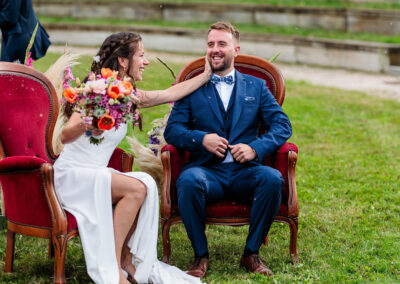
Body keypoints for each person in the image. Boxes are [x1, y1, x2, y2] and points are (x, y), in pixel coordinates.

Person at [54, 32, 210, 284]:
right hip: (74, 176)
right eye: (141, 55)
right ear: (124, 61)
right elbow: (65, 135)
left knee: (145, 184)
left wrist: (205, 75)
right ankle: (113, 267)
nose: (146, 61)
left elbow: (169, 94)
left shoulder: (127, 96)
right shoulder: (96, 89)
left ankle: (127, 258)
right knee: (137, 189)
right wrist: (87, 122)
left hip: (97, 174)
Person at [164, 21, 292, 278]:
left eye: (222, 44)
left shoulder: (256, 87)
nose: (215, 49)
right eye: (210, 44)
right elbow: (172, 131)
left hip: (246, 172)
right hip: (207, 172)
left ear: (236, 49)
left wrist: (255, 148)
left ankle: (251, 254)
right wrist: (202, 140)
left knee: (273, 179)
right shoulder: (193, 87)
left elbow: (282, 125)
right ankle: (200, 256)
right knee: (188, 180)